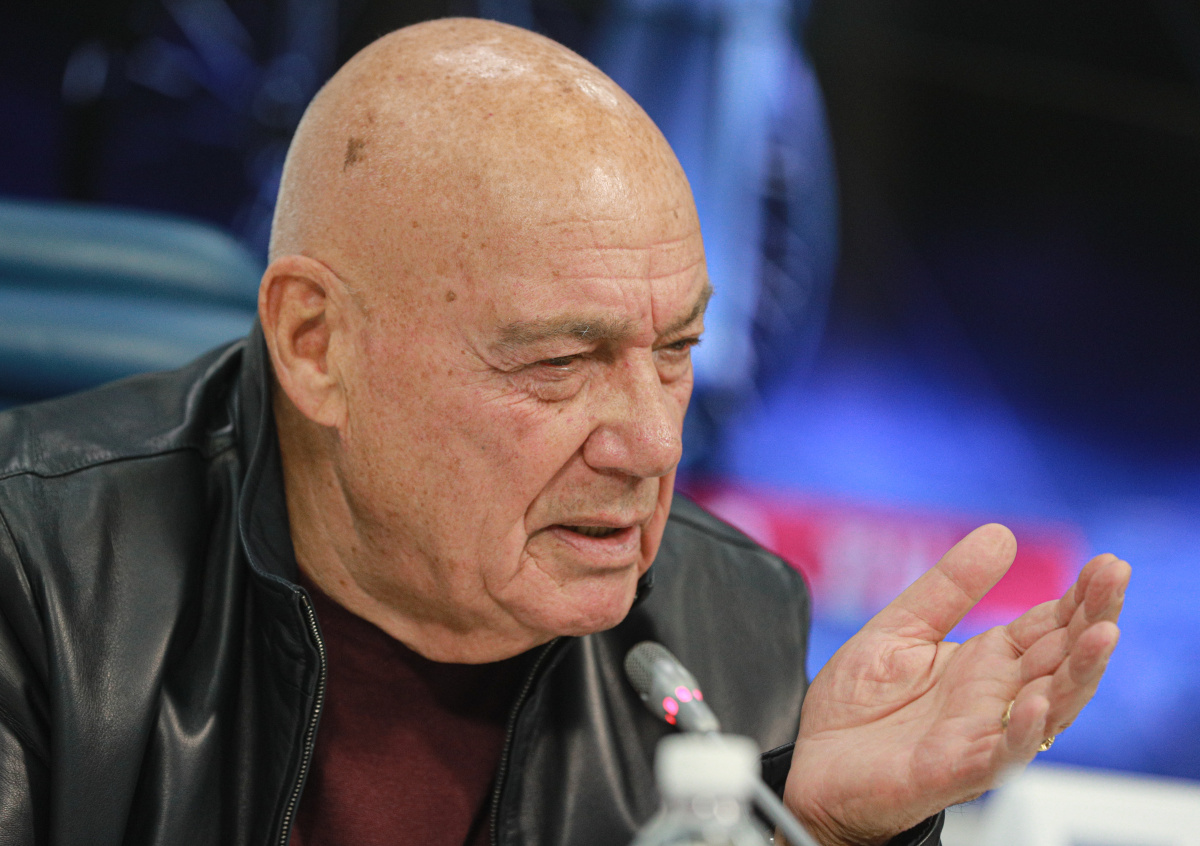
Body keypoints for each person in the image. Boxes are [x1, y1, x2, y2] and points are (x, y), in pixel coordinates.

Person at [0, 17, 1128, 846]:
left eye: (676, 351)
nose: (650, 445)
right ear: (315, 343)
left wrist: (822, 833)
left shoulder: (729, 630)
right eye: (559, 361)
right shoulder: (35, 578)